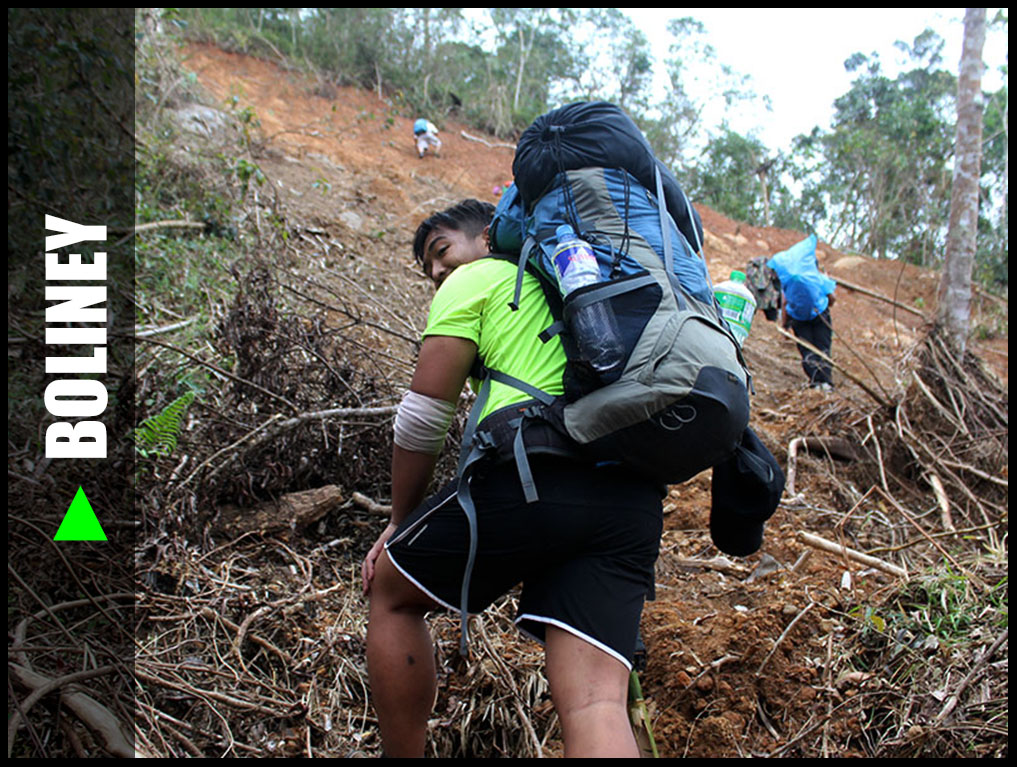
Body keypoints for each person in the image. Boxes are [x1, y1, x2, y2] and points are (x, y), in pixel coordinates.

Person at [361, 199, 663, 758]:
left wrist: (399, 523)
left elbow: (425, 417)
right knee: (595, 704)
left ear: (488, 236)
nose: (434, 272)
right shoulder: (593, 282)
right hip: (632, 497)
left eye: (440, 250)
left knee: (391, 591)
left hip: (539, 474)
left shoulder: (481, 277)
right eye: (426, 266)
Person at [780, 271, 836, 390]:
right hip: (820, 315)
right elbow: (832, 298)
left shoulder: (790, 280)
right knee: (823, 348)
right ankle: (826, 382)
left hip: (798, 319)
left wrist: (785, 325)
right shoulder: (819, 277)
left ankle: (815, 382)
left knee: (807, 350)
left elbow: (785, 303)